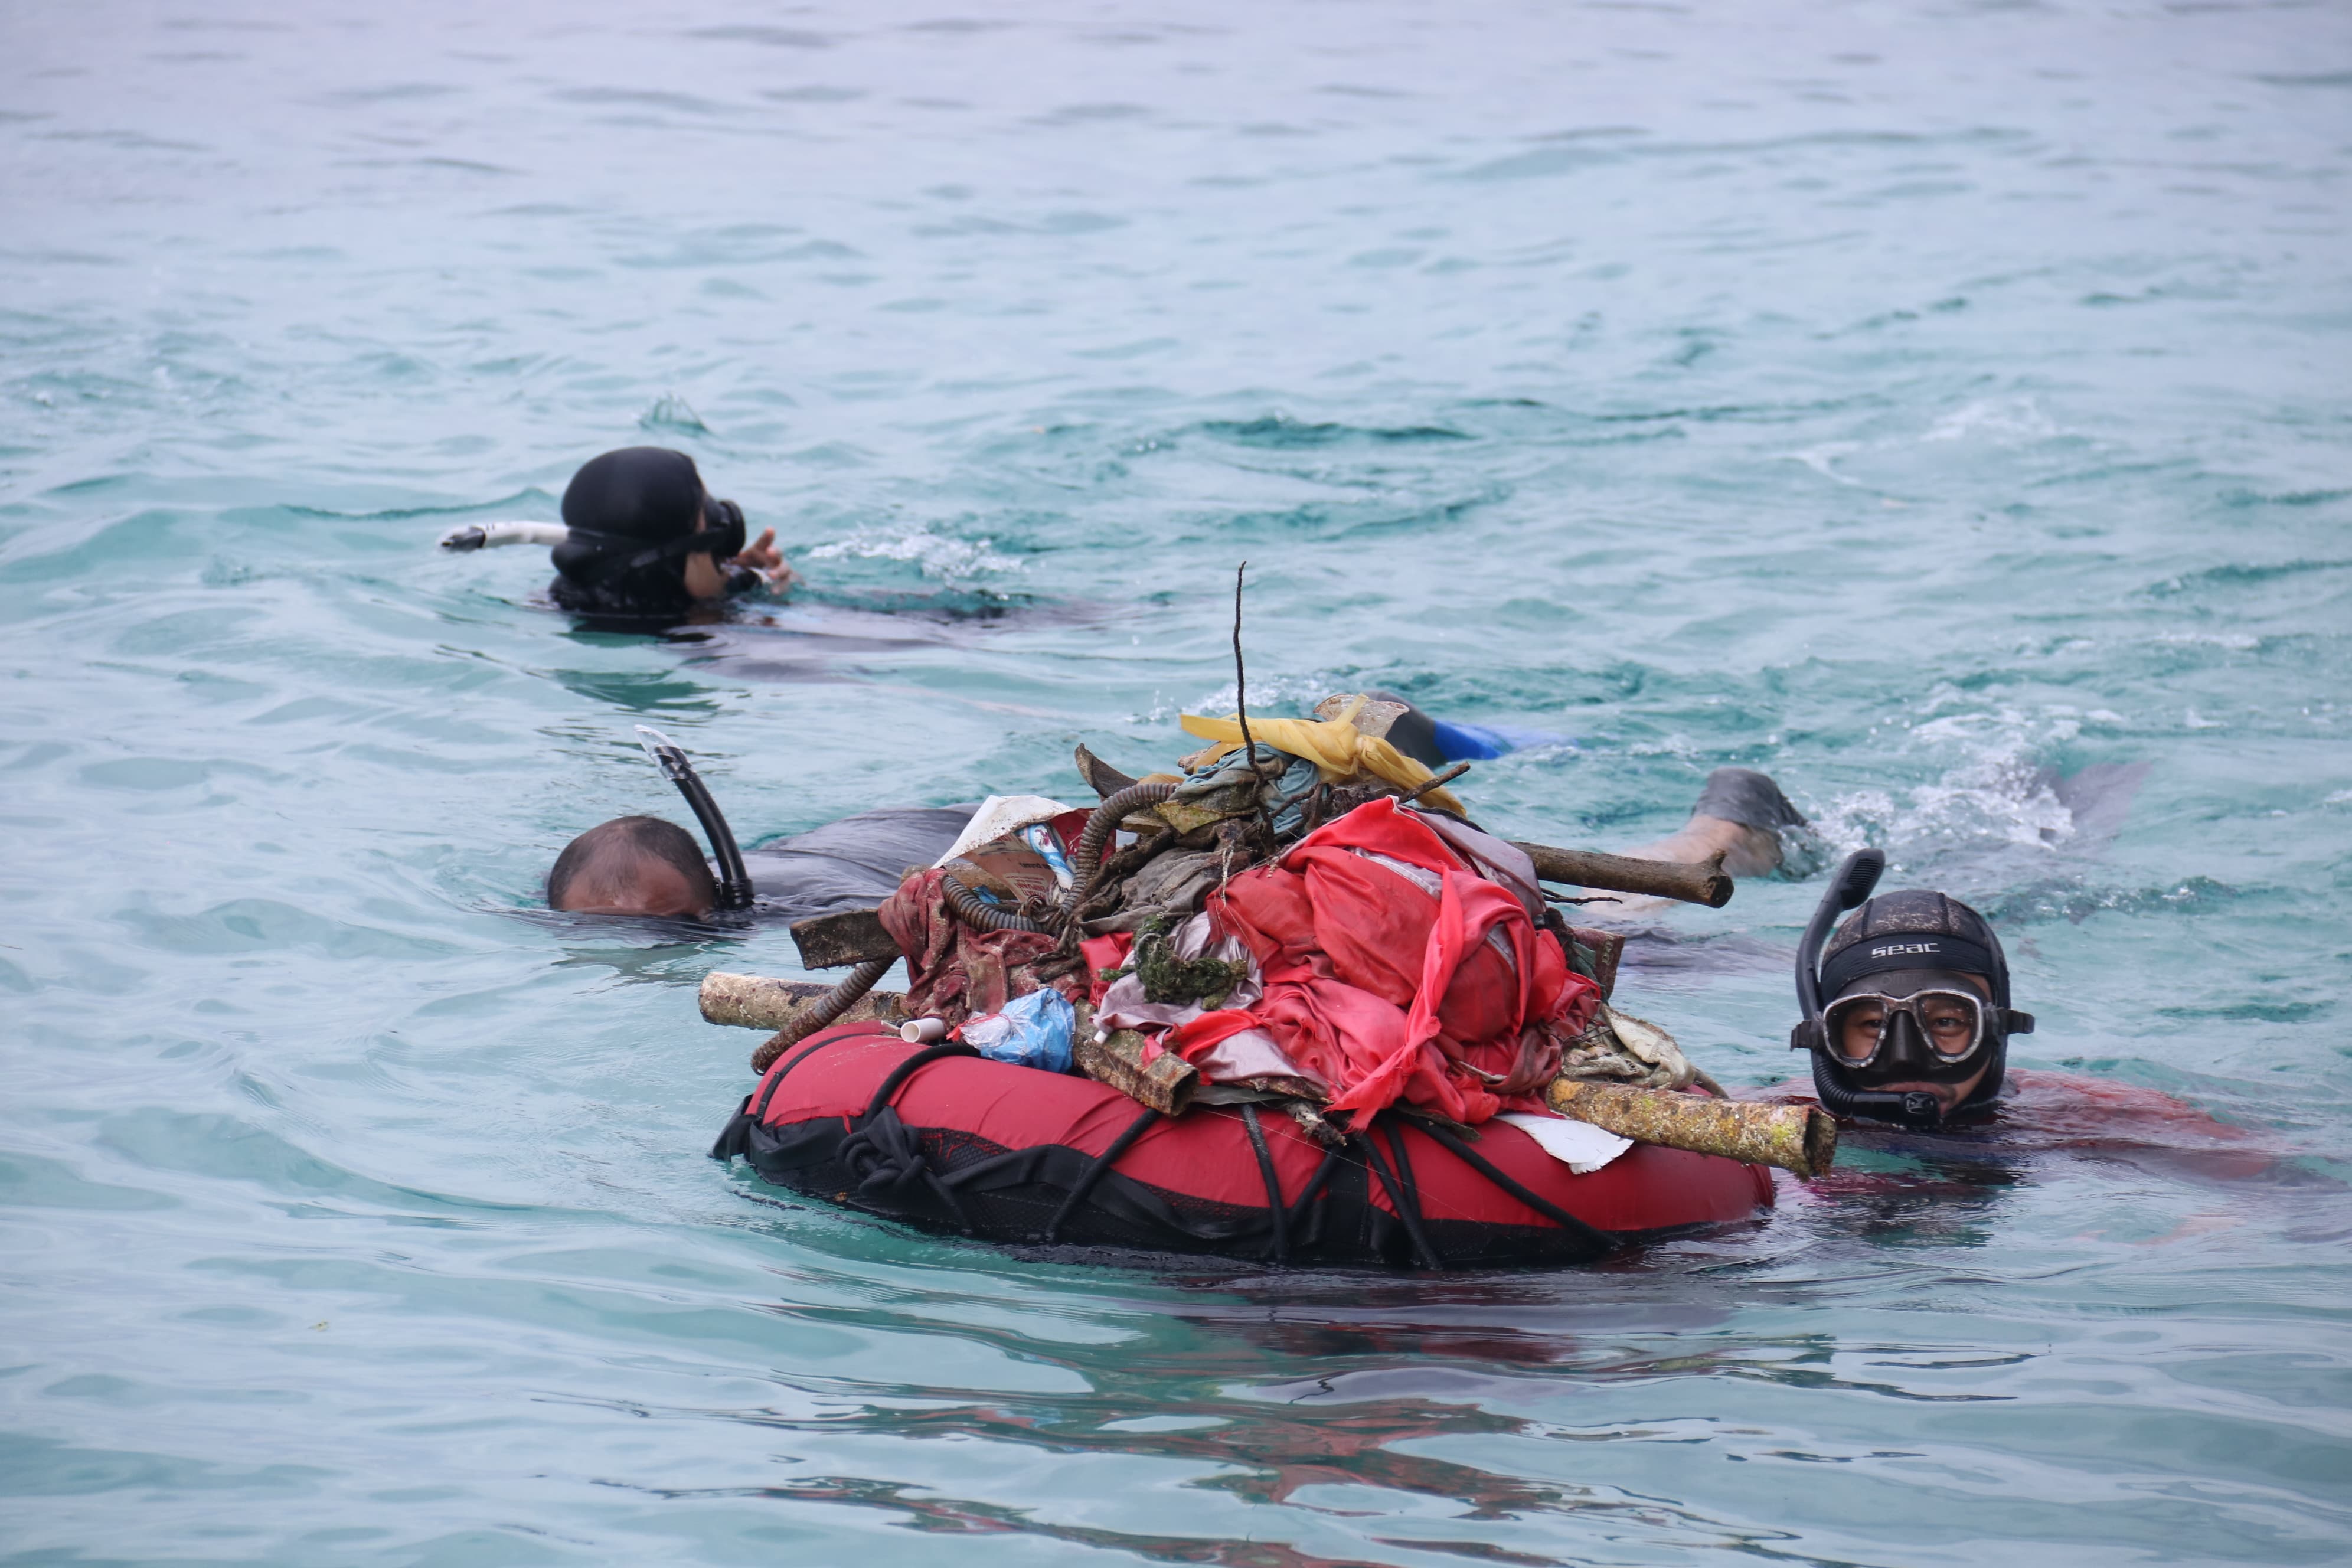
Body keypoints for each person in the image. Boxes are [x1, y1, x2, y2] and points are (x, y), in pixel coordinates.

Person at [548, 803, 978, 923]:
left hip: (946, 831)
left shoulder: (832, 904)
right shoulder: (575, 886)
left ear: (713, 907)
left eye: (663, 928)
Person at [549, 447, 794, 618]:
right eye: (711, 517)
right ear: (676, 566)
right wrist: (778, 601)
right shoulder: (747, 653)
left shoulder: (552, 608)